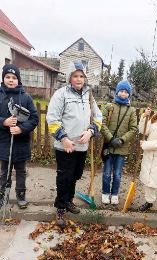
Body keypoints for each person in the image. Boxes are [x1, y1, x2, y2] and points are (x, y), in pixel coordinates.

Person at [46, 60, 102, 227]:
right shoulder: (61, 94)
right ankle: (61, 207)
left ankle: (69, 201)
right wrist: (64, 139)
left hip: (82, 146)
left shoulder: (89, 96)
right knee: (64, 177)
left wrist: (91, 131)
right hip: (65, 146)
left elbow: (98, 117)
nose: (79, 79)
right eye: (75, 76)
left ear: (85, 78)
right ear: (70, 77)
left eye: (82, 76)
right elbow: (52, 119)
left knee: (75, 175)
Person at [0, 64, 39, 209]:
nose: (11, 80)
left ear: (18, 80)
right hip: (3, 142)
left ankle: (21, 195)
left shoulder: (26, 97)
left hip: (21, 143)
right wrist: (3, 122)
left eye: (14, 78)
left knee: (21, 171)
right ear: (3, 79)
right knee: (4, 171)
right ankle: (3, 194)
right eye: (7, 77)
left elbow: (34, 119)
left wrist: (21, 129)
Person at [101, 81, 137, 205]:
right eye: (121, 91)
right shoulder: (109, 107)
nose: (123, 93)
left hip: (122, 148)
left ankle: (115, 194)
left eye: (126, 92)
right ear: (117, 92)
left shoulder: (131, 110)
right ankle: (105, 193)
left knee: (117, 174)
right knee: (106, 173)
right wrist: (111, 139)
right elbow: (102, 124)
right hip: (109, 146)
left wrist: (122, 140)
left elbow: (133, 128)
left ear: (129, 94)